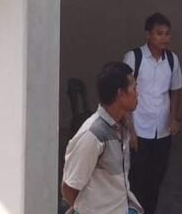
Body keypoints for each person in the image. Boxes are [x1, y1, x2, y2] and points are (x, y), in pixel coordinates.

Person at [123, 13, 182, 214]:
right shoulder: (134, 58)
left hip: (162, 131)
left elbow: (175, 91)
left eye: (167, 34)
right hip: (139, 130)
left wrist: (173, 118)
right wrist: (131, 130)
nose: (164, 38)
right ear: (148, 34)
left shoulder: (172, 60)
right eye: (159, 33)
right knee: (136, 180)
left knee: (156, 179)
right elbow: (124, 95)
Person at [61, 62, 143, 214]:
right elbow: (69, 188)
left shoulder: (122, 127)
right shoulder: (93, 134)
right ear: (121, 94)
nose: (138, 93)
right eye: (134, 88)